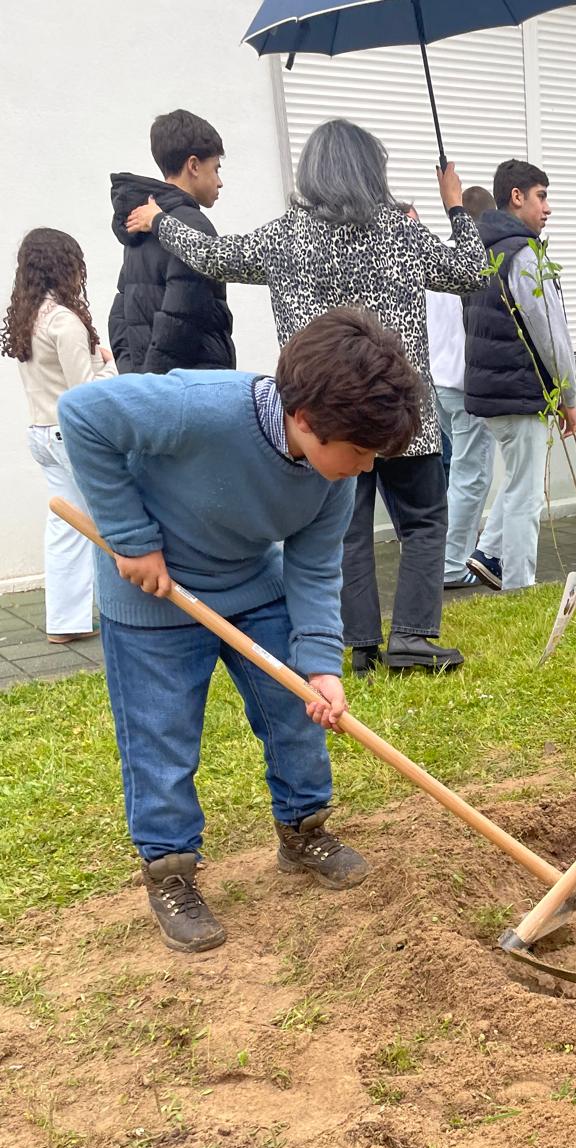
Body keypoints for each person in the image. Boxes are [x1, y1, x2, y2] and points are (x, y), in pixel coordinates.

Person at [57, 308, 423, 955]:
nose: (366, 467)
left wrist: (321, 666)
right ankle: (170, 869)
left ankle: (304, 830)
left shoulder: (332, 475)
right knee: (162, 738)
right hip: (153, 594)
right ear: (305, 419)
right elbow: (83, 415)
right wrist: (133, 538)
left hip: (252, 585)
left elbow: (314, 568)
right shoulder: (200, 408)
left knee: (295, 712)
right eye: (361, 451)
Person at [125, 119, 485, 675]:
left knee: (345, 529)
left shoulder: (286, 236)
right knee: (423, 521)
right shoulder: (400, 232)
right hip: (396, 408)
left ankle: (359, 644)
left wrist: (161, 222)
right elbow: (472, 272)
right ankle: (413, 638)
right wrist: (455, 206)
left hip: (324, 415)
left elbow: (214, 256)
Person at [462, 159, 576, 592]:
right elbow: (550, 332)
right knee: (528, 494)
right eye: (541, 196)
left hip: (491, 388)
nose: (548, 208)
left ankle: (487, 553)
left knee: (517, 479)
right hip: (519, 388)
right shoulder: (523, 253)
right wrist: (568, 397)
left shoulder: (483, 250)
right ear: (517, 197)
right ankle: (518, 585)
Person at [3, 229, 114, 643]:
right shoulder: (65, 321)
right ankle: (121, 611)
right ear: (65, 265)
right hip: (69, 435)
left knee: (65, 527)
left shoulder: (27, 316)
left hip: (41, 434)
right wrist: (110, 364)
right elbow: (84, 394)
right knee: (109, 520)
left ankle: (65, 622)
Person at [109, 109, 236, 375]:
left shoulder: (138, 224)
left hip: (151, 383)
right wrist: (155, 382)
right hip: (190, 385)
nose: (220, 182)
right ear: (193, 166)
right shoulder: (191, 225)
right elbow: (184, 316)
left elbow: (120, 315)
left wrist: (134, 376)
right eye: (216, 169)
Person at [428, 184, 498, 591]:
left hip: (438, 381)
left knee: (458, 474)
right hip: (466, 382)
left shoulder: (439, 256)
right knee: (471, 477)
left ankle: (454, 554)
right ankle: (452, 564)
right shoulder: (475, 261)